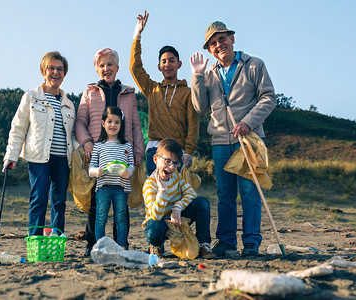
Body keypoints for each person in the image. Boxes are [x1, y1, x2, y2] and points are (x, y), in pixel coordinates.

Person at [190, 21, 276, 257]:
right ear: (209, 50)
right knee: (225, 195)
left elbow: (268, 98)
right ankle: (226, 241)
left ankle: (251, 243)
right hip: (220, 141)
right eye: (213, 43)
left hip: (249, 140)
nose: (219, 45)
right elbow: (200, 107)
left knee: (250, 192)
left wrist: (248, 122)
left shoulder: (254, 65)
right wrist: (197, 77)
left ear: (232, 38)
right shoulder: (209, 74)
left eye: (222, 39)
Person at [75, 48, 144, 256]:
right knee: (96, 204)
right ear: (97, 69)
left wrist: (138, 150)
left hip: (123, 153)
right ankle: (92, 244)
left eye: (110, 64)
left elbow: (135, 124)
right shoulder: (90, 92)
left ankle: (121, 245)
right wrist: (87, 142)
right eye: (102, 65)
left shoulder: (128, 93)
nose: (106, 68)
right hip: (98, 153)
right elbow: (80, 121)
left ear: (117, 67)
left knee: (121, 204)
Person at [3, 51, 77, 236]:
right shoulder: (31, 97)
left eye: (60, 69)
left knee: (59, 202)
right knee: (39, 199)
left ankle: (56, 241)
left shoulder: (69, 104)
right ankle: (35, 240)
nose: (55, 72)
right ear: (43, 72)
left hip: (62, 159)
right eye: (51, 68)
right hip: (38, 157)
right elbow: (18, 127)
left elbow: (73, 135)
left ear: (64, 74)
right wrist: (11, 156)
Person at [130, 11, 200, 176]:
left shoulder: (189, 92)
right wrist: (137, 35)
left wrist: (189, 151)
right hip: (154, 150)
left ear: (179, 64)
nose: (167, 64)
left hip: (178, 152)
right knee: (153, 196)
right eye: (163, 61)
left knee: (174, 196)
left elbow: (194, 125)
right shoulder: (153, 89)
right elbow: (135, 68)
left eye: (171, 60)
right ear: (159, 67)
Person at [142, 139, 215, 259]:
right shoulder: (149, 185)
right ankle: (156, 246)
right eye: (167, 161)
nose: (171, 167)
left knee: (202, 203)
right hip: (160, 222)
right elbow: (155, 215)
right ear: (156, 159)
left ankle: (204, 244)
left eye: (175, 163)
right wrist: (162, 192)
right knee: (153, 226)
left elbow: (191, 193)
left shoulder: (176, 176)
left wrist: (177, 208)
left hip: (177, 219)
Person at [89, 106, 135, 249]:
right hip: (103, 188)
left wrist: (129, 171)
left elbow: (132, 164)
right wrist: (96, 171)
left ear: (121, 124)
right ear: (103, 123)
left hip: (121, 188)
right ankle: (100, 247)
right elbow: (90, 169)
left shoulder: (126, 145)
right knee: (101, 218)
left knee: (121, 218)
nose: (113, 125)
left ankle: (121, 246)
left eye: (117, 122)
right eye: (109, 121)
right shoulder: (98, 145)